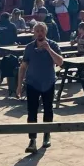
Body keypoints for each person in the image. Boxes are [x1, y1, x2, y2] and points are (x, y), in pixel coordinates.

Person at [18, 22, 64, 154]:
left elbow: (60, 62)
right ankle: (32, 140)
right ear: (34, 32)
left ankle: (46, 135)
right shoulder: (29, 47)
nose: (39, 33)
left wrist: (49, 49)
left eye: (42, 30)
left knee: (48, 110)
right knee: (32, 112)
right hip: (32, 83)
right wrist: (19, 86)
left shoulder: (53, 45)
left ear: (46, 32)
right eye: (37, 31)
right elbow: (23, 67)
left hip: (48, 82)